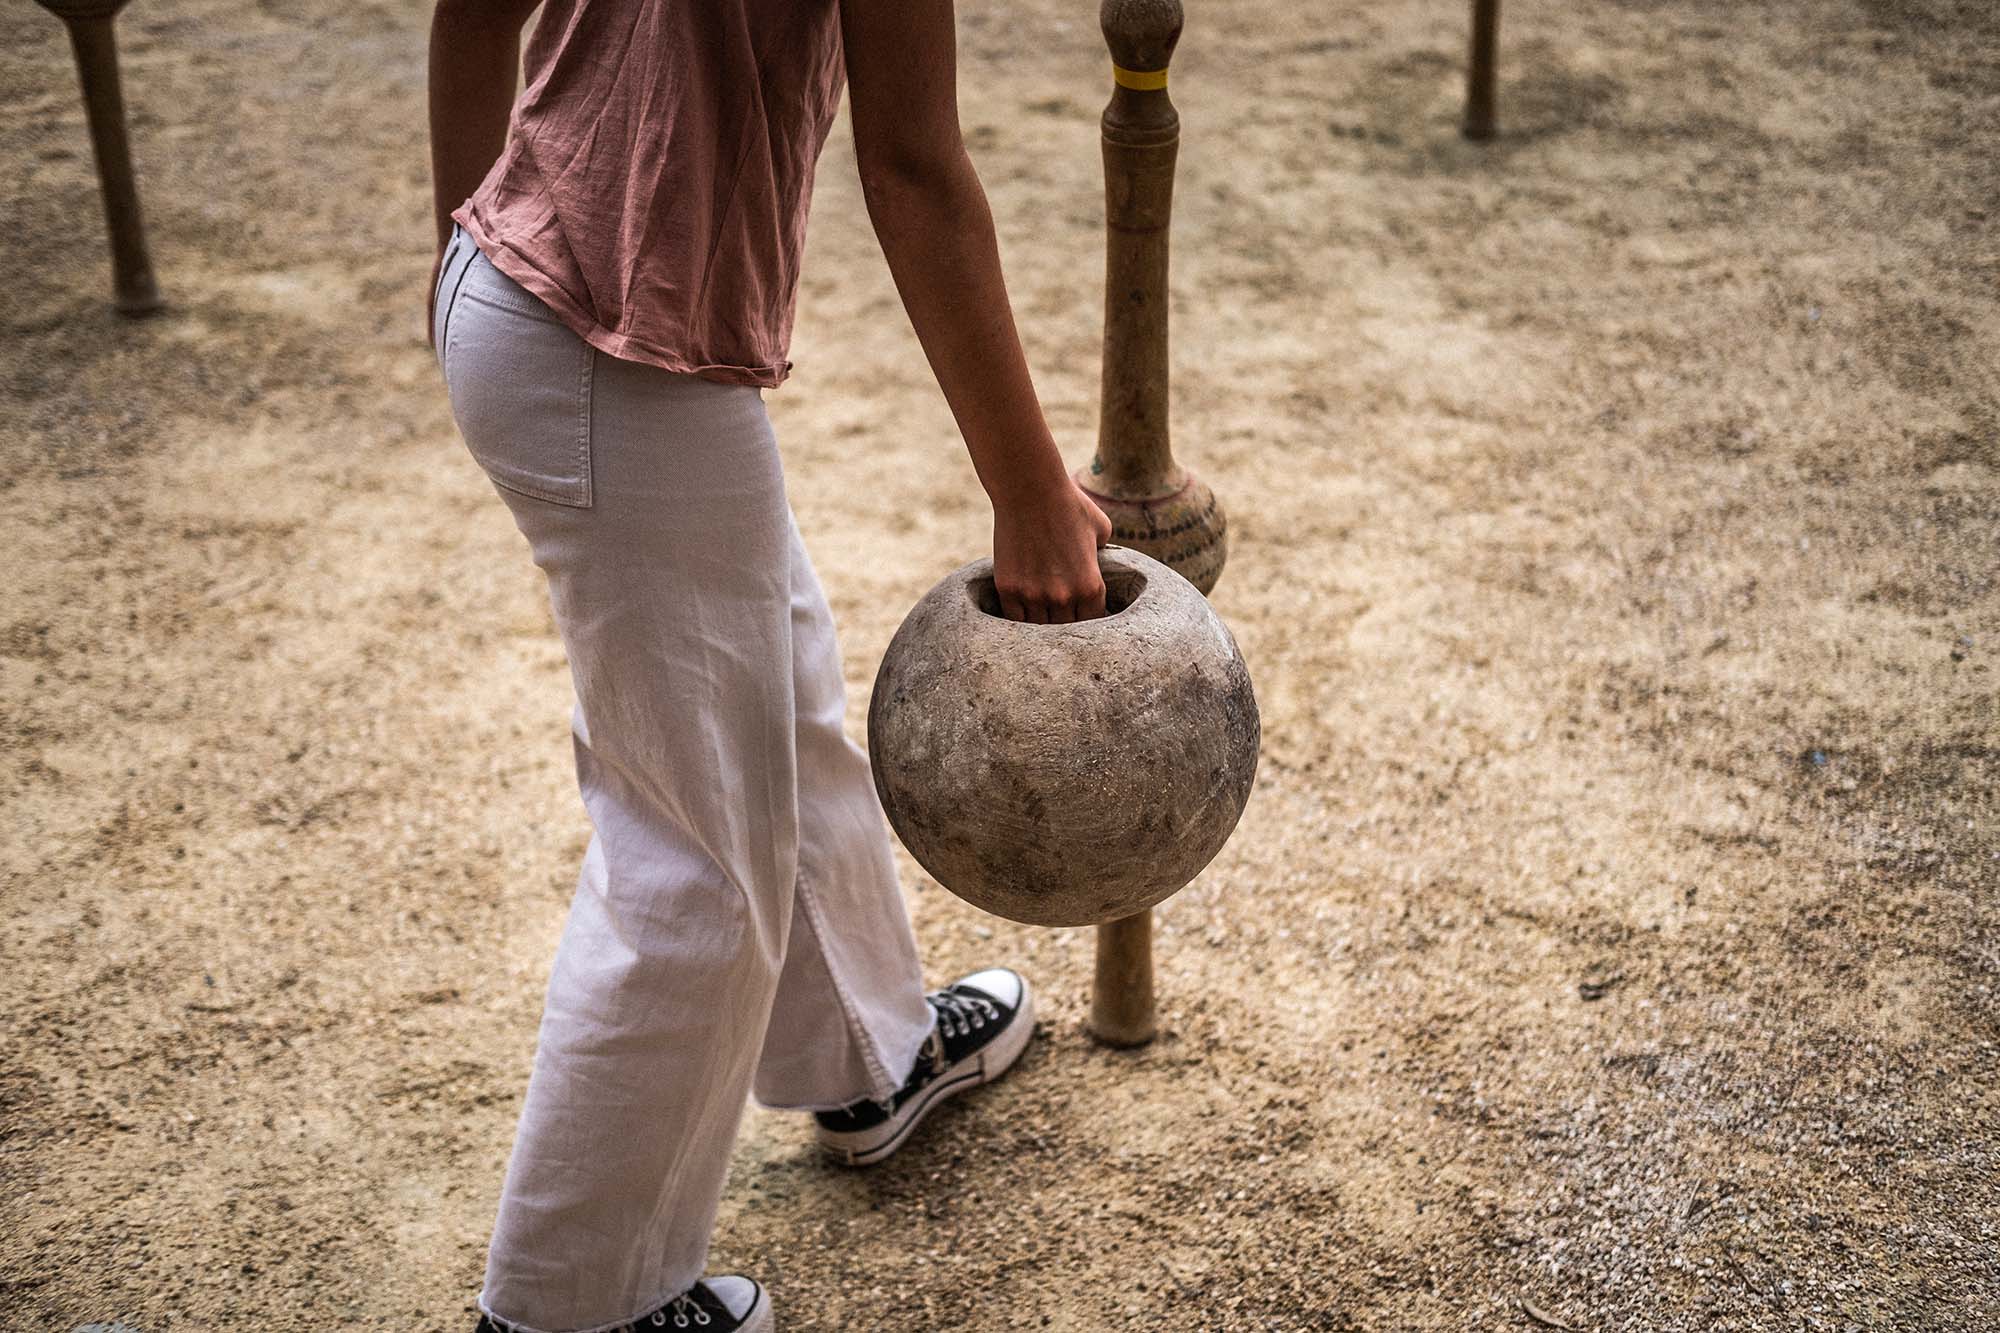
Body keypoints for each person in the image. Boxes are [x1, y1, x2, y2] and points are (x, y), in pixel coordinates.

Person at [426, 0, 1112, 1328]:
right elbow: (912, 169)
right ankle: (570, 1306)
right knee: (693, 860)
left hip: (530, 299)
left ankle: (871, 1054)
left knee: (775, 690)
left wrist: (461, 244)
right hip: (613, 353)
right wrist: (1029, 486)